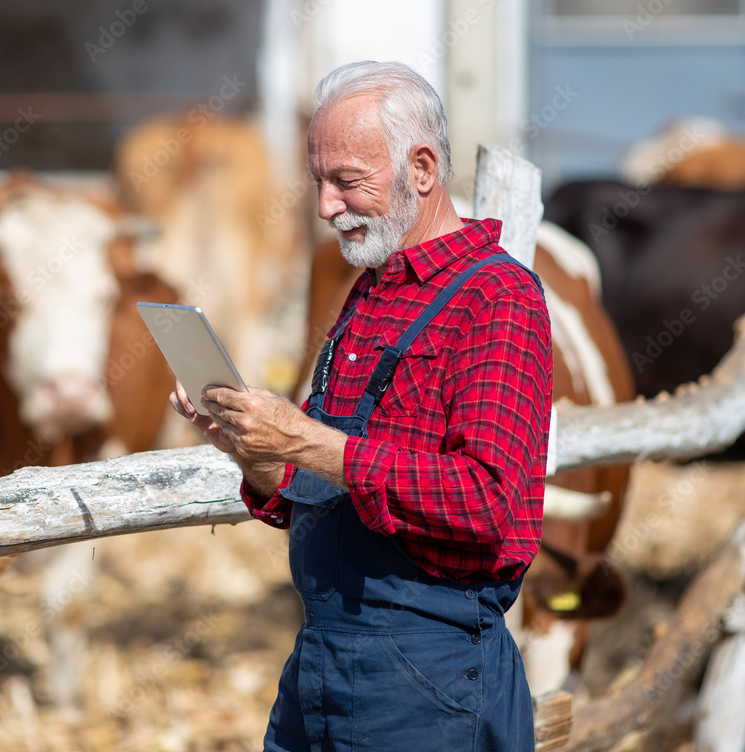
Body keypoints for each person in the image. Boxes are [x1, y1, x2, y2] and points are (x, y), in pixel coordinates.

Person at [169, 60, 552, 752]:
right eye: (318, 180)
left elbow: (485, 500)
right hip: (322, 652)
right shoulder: (374, 289)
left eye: (346, 180)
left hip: (427, 671)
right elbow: (318, 491)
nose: (325, 205)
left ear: (423, 169)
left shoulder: (497, 299)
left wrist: (306, 441)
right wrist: (252, 449)